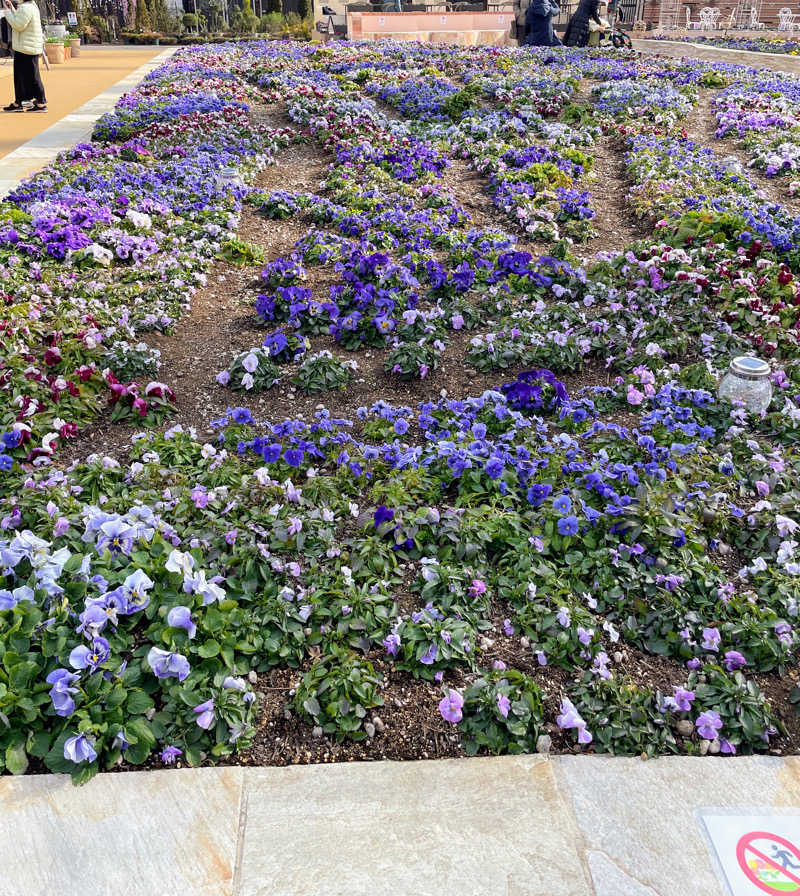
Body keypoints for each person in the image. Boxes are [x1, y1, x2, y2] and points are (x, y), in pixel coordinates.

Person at [2, 0, 46, 113]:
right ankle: (19, 102)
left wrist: (7, 12)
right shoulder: (30, 6)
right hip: (25, 47)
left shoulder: (26, 7)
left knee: (32, 77)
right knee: (21, 77)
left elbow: (18, 26)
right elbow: (20, 19)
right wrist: (12, 9)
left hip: (27, 48)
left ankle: (41, 103)